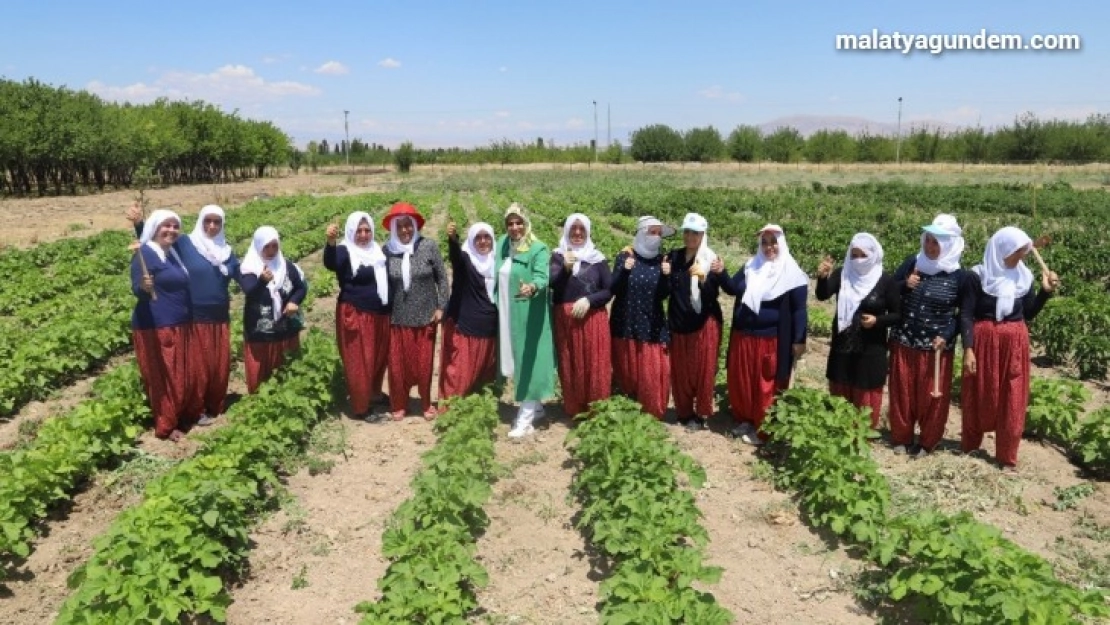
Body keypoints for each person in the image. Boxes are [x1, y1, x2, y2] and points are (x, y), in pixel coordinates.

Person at [127, 203, 239, 427]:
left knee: (203, 368)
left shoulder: (226, 251)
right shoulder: (186, 244)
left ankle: (199, 408)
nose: (212, 225)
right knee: (187, 370)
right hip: (186, 318)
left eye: (217, 221)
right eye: (208, 220)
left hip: (205, 317)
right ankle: (175, 416)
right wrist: (140, 225)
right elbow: (154, 244)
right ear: (200, 221)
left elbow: (161, 248)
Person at [960, 226, 1059, 471]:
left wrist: (1045, 293)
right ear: (1000, 250)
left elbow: (1029, 313)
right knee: (979, 391)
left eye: (1023, 251)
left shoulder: (1024, 277)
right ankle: (970, 446)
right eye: (1016, 252)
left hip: (1014, 340)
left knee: (1013, 394)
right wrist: (968, 348)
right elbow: (966, 314)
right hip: (983, 339)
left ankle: (1006, 456)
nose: (1021, 256)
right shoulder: (977, 276)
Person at [888, 214, 967, 456]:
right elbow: (890, 290)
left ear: (949, 245)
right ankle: (901, 437)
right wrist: (904, 285)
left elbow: (963, 313)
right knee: (902, 392)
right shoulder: (913, 263)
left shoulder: (958, 276)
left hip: (935, 347)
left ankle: (927, 442)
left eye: (937, 243)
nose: (930, 247)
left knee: (932, 397)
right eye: (928, 240)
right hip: (904, 339)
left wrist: (947, 334)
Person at [721, 224, 808, 445]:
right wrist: (720, 272)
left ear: (781, 243)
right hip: (744, 336)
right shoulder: (752, 265)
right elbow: (732, 288)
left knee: (765, 384)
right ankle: (745, 420)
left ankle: (763, 428)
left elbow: (799, 309)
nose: (769, 247)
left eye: (773, 242)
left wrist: (799, 339)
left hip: (770, 339)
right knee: (743, 380)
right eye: (765, 242)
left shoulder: (792, 273)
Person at [815, 233, 901, 432]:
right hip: (843, 343)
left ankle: (861, 436)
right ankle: (839, 433)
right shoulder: (843, 274)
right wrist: (822, 277)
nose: (857, 260)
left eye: (863, 255)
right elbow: (822, 295)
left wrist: (877, 321)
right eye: (853, 255)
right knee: (841, 384)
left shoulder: (885, 281)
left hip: (871, 348)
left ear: (873, 255)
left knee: (865, 390)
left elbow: (897, 315)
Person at [382, 202, 448, 421]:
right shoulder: (387, 251)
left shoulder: (428, 246)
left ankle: (426, 404)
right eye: (399, 226)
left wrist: (441, 307)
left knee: (424, 364)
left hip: (425, 316)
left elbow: (442, 278)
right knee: (398, 365)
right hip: (398, 316)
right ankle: (400, 404)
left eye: (408, 225)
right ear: (393, 228)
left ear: (414, 226)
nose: (404, 230)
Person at [130, 209, 192, 441]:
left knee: (179, 373)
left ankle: (180, 414)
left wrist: (140, 224)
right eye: (166, 226)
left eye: (175, 226)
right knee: (163, 376)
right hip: (156, 325)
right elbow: (137, 288)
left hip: (179, 322)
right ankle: (166, 423)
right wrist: (144, 288)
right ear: (155, 228)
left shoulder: (172, 252)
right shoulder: (144, 254)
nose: (171, 230)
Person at [496, 203, 557, 438]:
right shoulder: (503, 244)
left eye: (519, 222)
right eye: (510, 223)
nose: (515, 227)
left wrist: (532, 286)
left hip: (528, 315)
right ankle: (537, 406)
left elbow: (543, 277)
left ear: (526, 223)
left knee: (528, 359)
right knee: (514, 357)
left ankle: (525, 419)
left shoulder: (538, 248)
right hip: (507, 312)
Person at [325, 212, 390, 421]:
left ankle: (373, 394)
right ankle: (361, 408)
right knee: (359, 360)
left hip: (379, 313)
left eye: (367, 230)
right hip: (356, 312)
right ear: (351, 232)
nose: (363, 235)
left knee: (377, 358)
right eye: (359, 231)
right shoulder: (345, 251)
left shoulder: (377, 251)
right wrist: (331, 242)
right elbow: (331, 263)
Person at [665, 213, 727, 431]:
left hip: (704, 322)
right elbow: (665, 291)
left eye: (696, 233)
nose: (690, 237)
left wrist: (703, 279)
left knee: (702, 368)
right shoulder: (673, 257)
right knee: (681, 369)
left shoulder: (710, 260)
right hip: (679, 319)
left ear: (703, 235)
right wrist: (665, 275)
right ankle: (684, 412)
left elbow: (712, 295)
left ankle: (700, 413)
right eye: (687, 232)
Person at [610, 216, 674, 420]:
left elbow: (663, 294)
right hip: (626, 321)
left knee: (652, 372)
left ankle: (651, 414)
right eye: (651, 232)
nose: (655, 237)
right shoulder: (626, 256)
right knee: (627, 371)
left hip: (651, 322)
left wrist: (666, 276)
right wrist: (624, 270)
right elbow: (614, 289)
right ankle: (627, 411)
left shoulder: (662, 260)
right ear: (641, 233)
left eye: (658, 233)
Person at [549, 213, 612, 418]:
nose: (577, 232)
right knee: (571, 362)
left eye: (581, 229)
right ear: (567, 231)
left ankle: (596, 410)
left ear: (587, 232)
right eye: (573, 229)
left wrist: (589, 300)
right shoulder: (558, 256)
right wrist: (566, 269)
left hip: (593, 319)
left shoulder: (598, 259)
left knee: (595, 363)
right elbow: (553, 285)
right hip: (566, 319)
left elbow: (609, 290)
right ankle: (575, 409)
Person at [239, 226, 307, 394]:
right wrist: (261, 281)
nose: (271, 251)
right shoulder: (249, 267)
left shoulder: (286, 266)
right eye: (266, 246)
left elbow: (301, 287)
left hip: (285, 325)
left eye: (274, 246)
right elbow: (250, 292)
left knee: (286, 362)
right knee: (261, 365)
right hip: (260, 327)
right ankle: (259, 400)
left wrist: (294, 301)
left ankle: (286, 397)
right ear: (258, 246)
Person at [440, 221, 498, 403]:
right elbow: (456, 258)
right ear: (471, 241)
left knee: (483, 371)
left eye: (486, 237)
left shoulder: (499, 263)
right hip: (465, 325)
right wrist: (452, 240)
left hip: (488, 328)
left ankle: (478, 408)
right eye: (478, 238)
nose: (483, 241)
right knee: (460, 372)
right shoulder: (466, 260)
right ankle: (453, 410)